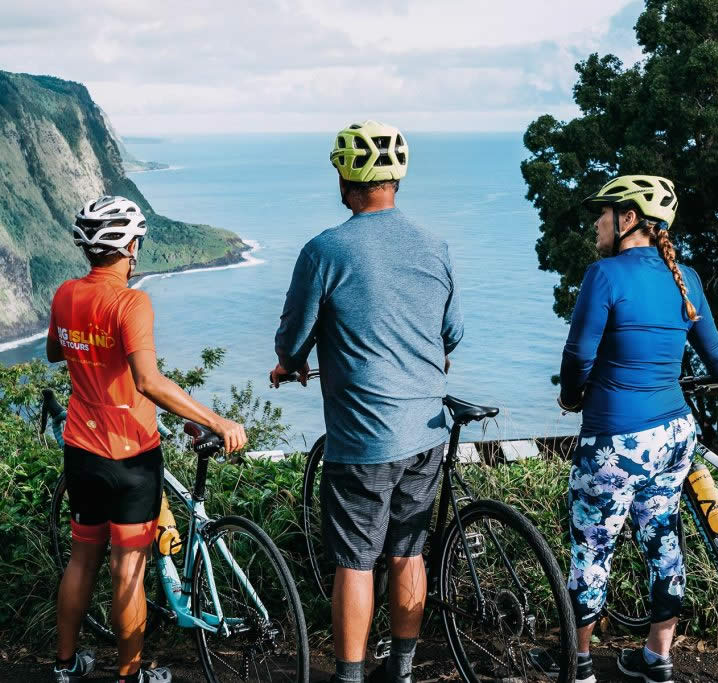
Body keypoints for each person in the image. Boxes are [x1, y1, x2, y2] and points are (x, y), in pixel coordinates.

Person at [270, 121, 463, 683]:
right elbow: (450, 334)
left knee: (355, 561)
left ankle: (350, 676)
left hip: (364, 438)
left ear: (344, 178)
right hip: (427, 427)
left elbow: (292, 336)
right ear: (397, 177)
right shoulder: (436, 246)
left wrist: (291, 362)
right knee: (408, 552)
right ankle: (401, 671)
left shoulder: (326, 249)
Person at [47, 195, 246, 683]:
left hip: (81, 452)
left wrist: (86, 345)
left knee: (81, 559)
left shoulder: (66, 294)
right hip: (132, 458)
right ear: (131, 246)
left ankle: (65, 666)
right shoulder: (131, 302)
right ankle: (129, 674)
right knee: (127, 567)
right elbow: (149, 382)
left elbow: (56, 351)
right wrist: (218, 420)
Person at [557, 176, 718, 683]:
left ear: (628, 219)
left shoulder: (605, 275)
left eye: (603, 213)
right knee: (663, 538)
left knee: (592, 548)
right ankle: (657, 658)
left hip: (616, 438)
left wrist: (572, 396)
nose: (596, 222)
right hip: (676, 434)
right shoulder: (686, 276)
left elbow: (578, 355)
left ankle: (581, 665)